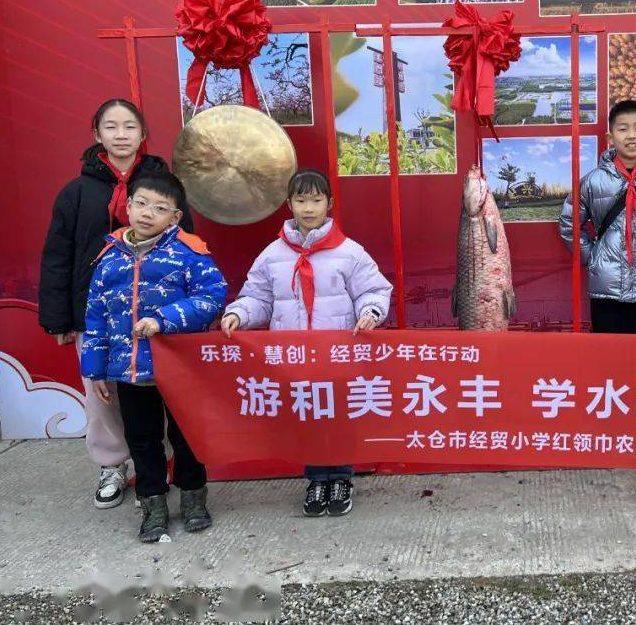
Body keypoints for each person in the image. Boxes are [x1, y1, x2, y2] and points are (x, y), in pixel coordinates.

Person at [39, 99, 193, 509]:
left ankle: (156, 468)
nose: (121, 134)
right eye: (111, 126)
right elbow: (58, 255)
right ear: (97, 135)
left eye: (130, 126)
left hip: (155, 312)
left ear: (143, 135)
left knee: (157, 393)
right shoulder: (76, 192)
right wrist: (60, 318)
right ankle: (111, 465)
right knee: (102, 395)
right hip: (98, 314)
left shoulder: (165, 186)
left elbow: (189, 249)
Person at [221, 169, 392, 518]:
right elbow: (259, 297)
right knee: (308, 415)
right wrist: (239, 313)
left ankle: (341, 477)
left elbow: (373, 290)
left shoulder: (349, 252)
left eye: (316, 200)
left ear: (329, 203)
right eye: (301, 200)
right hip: (294, 355)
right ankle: (316, 477)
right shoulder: (272, 255)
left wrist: (371, 311)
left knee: (338, 415)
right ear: (289, 204)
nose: (309, 208)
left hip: (337, 353)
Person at [81, 171, 226, 543]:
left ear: (175, 218)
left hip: (181, 370)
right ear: (127, 206)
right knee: (142, 440)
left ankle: (194, 501)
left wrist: (163, 320)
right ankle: (153, 508)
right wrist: (95, 369)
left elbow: (212, 297)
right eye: (141, 203)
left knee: (187, 437)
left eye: (160, 208)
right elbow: (96, 316)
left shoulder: (190, 252)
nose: (147, 213)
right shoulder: (108, 257)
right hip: (130, 372)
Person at [559, 100, 636, 334]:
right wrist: (593, 257)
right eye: (623, 129)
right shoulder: (593, 181)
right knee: (607, 359)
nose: (631, 135)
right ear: (610, 137)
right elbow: (570, 223)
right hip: (606, 288)